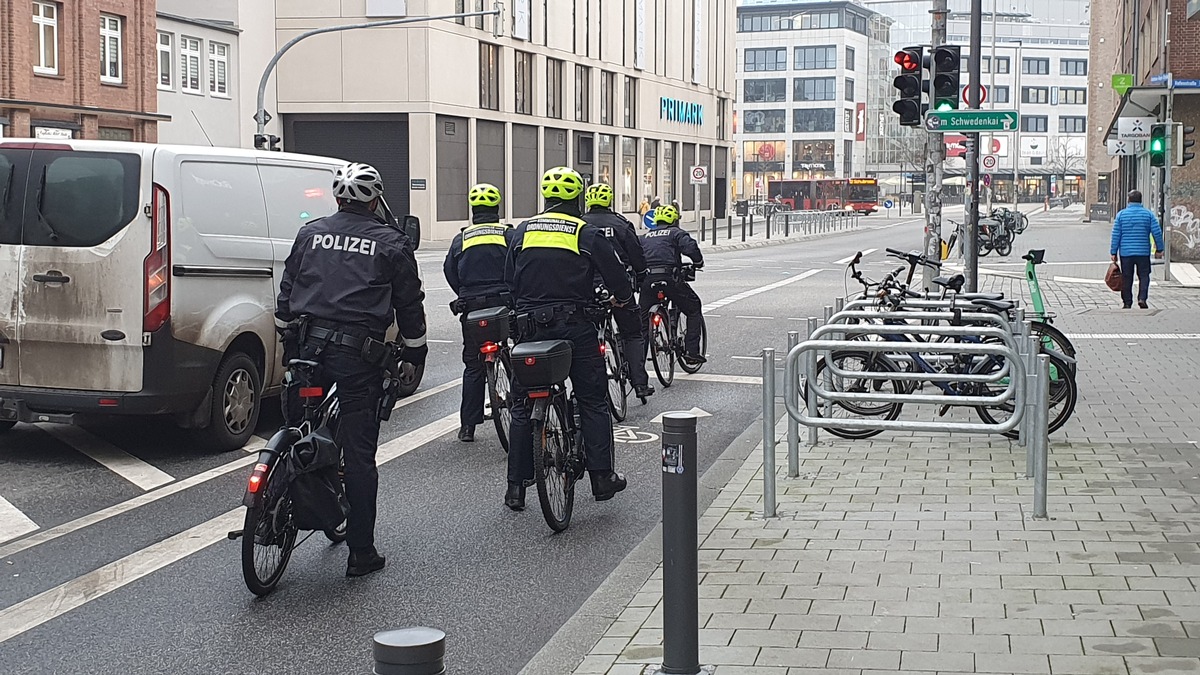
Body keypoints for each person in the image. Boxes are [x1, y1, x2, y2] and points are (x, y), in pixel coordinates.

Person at [276, 162, 428, 577]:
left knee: (299, 428)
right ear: (376, 200)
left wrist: (289, 337)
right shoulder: (392, 243)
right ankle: (361, 552)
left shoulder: (310, 234)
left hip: (308, 349)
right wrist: (416, 352)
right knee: (360, 456)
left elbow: (286, 293)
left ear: (337, 197)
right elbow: (408, 307)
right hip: (357, 358)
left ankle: (279, 509)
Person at [503, 167, 634, 511]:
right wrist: (621, 300)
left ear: (546, 200)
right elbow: (618, 280)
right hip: (574, 325)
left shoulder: (521, 232)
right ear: (576, 199)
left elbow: (508, 281)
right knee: (592, 399)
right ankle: (602, 478)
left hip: (530, 327)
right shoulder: (584, 233)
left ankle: (515, 488)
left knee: (521, 404)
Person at [444, 183, 516, 442]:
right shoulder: (507, 235)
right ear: (497, 209)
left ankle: (467, 427)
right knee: (515, 354)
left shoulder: (461, 238)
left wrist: (463, 294)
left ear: (473, 210)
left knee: (473, 367)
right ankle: (521, 411)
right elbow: (519, 265)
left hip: (472, 306)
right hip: (503, 304)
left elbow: (450, 271)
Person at [582, 183, 654, 399]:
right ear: (610, 201)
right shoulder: (621, 223)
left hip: (590, 290)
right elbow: (636, 254)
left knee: (587, 337)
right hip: (619, 286)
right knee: (632, 333)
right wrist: (641, 275)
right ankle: (639, 382)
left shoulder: (581, 224)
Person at [640, 204, 706, 365]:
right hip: (670, 278)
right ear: (674, 220)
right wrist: (698, 262)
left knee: (642, 322)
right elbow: (690, 247)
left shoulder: (643, 237)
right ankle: (692, 352)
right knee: (693, 308)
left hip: (648, 280)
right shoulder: (676, 233)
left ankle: (637, 361)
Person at [1110, 190, 1165, 309]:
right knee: (1144, 275)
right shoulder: (1148, 214)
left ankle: (1127, 302)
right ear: (1141, 200)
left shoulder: (1121, 215)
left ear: (1128, 200)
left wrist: (1113, 252)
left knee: (1126, 277)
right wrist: (1159, 249)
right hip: (1143, 252)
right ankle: (1142, 298)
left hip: (1126, 253)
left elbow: (1116, 235)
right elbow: (1157, 232)